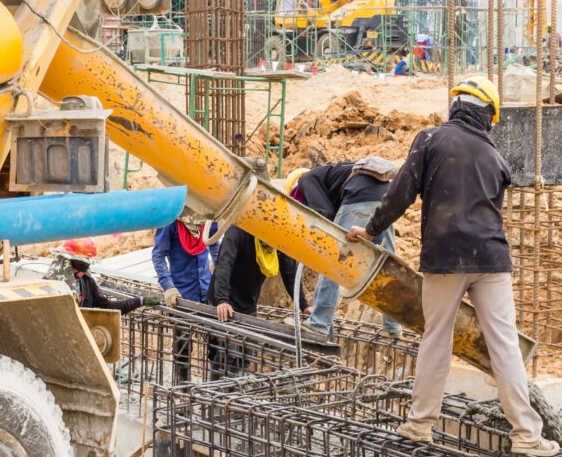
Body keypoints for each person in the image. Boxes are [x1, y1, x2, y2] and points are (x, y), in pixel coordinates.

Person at [347, 75, 560, 457]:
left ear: (456, 106)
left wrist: (372, 230)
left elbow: (401, 192)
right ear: (487, 114)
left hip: (445, 258)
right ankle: (527, 436)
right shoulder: (496, 158)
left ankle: (419, 424)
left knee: (437, 340)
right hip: (492, 260)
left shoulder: (431, 140)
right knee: (504, 345)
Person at [287, 159, 401, 337]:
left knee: (332, 262)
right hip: (385, 198)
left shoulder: (305, 180)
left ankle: (320, 322)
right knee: (387, 264)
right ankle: (393, 325)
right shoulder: (334, 174)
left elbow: (326, 213)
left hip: (359, 195)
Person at [207, 226, 310, 377]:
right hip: (225, 302)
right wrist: (222, 299)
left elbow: (290, 273)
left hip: (248, 304)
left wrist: (304, 305)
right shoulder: (239, 230)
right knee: (229, 353)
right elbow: (224, 264)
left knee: (245, 355)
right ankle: (212, 395)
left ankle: (233, 393)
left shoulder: (277, 238)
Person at [151, 218, 219, 382]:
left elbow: (217, 249)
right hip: (182, 295)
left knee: (217, 344)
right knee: (183, 347)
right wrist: (168, 286)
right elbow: (158, 255)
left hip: (207, 291)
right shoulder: (171, 222)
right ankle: (183, 390)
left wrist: (223, 282)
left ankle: (216, 390)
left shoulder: (207, 221)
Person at [46, 238, 161, 313]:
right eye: (80, 264)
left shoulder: (86, 282)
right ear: (66, 262)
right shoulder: (48, 287)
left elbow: (108, 307)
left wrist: (139, 301)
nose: (83, 271)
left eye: (86, 265)